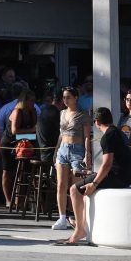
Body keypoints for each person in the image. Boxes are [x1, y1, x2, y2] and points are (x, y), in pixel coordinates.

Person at [58, 108, 131, 246]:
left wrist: (94, 183)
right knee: (84, 188)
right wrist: (94, 176)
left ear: (97, 122)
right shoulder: (117, 132)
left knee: (74, 190)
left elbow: (107, 164)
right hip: (126, 175)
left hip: (118, 177)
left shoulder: (107, 136)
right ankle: (81, 223)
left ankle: (80, 230)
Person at [52, 86, 92, 231]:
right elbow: (61, 134)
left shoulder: (83, 114)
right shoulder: (62, 113)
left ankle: (78, 217)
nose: (65, 100)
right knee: (61, 185)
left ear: (76, 98)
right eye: (64, 97)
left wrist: (87, 153)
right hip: (63, 148)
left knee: (76, 186)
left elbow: (87, 136)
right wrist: (56, 151)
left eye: (68, 97)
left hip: (77, 149)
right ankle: (62, 217)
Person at [2, 89, 38, 204]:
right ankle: (8, 200)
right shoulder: (17, 111)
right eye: (31, 100)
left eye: (34, 100)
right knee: (7, 171)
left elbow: (36, 129)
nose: (33, 103)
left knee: (23, 172)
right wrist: (31, 130)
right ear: (24, 101)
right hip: (10, 143)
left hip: (24, 144)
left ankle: (19, 201)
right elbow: (14, 131)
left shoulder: (33, 111)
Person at [36, 88, 64, 165]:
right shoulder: (56, 114)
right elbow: (64, 134)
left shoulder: (45, 111)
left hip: (41, 152)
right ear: (62, 100)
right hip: (50, 154)